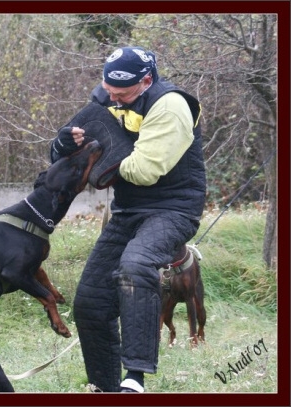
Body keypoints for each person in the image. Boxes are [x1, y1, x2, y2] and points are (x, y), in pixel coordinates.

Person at [50, 46, 206, 392]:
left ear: (146, 81)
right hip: (129, 212)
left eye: (120, 93)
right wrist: (63, 144)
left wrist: (99, 157)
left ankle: (134, 379)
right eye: (108, 91)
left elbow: (143, 170)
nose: (112, 99)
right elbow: (67, 147)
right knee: (90, 301)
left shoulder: (171, 106)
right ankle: (105, 387)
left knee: (135, 266)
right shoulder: (107, 94)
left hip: (174, 209)